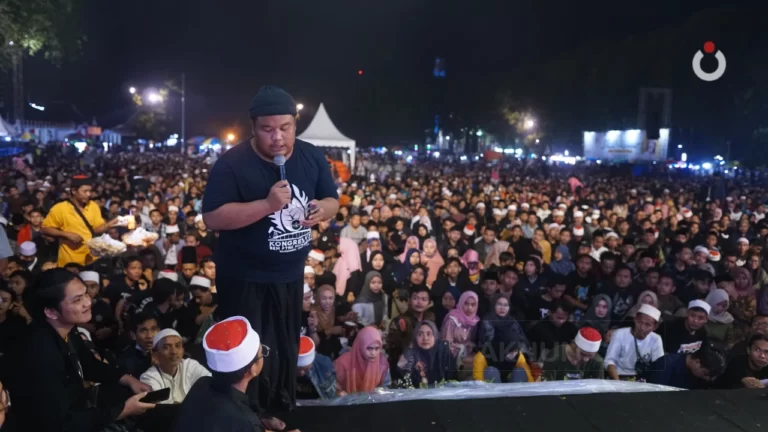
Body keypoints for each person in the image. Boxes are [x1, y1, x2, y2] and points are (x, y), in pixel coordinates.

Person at [202, 86, 339, 419]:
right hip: (245, 277)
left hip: (290, 275)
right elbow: (212, 217)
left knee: (283, 348)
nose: (277, 137)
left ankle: (279, 409)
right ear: (253, 127)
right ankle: (247, 417)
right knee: (247, 354)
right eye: (267, 129)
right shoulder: (232, 163)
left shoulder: (311, 156)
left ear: (295, 124)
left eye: (285, 128)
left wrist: (321, 210)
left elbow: (333, 200)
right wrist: (265, 205)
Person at [9, 268, 155, 431]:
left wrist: (126, 378)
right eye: (77, 300)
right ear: (51, 311)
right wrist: (123, 410)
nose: (88, 302)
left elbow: (87, 363)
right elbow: (62, 422)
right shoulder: (40, 353)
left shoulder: (67, 328)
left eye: (86, 294)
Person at [174, 316, 299, 432]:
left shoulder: (202, 384)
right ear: (253, 368)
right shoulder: (243, 421)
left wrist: (259, 423)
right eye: (262, 352)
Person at [40, 175, 118, 267]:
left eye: (90, 191)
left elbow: (96, 229)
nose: (89, 194)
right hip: (69, 261)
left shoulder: (93, 206)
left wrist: (111, 223)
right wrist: (66, 234)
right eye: (85, 191)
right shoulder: (60, 208)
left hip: (91, 258)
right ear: (73, 191)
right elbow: (44, 229)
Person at [140, 328, 211, 404]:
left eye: (177, 346)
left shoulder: (190, 365)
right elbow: (164, 406)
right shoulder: (148, 377)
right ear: (155, 354)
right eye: (166, 347)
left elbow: (210, 383)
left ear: (183, 350)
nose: (174, 352)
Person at [604, 304, 665, 380]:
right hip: (619, 377)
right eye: (639, 322)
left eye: (647, 325)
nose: (642, 327)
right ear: (635, 319)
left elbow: (659, 366)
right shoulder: (619, 334)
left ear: (655, 327)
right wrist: (618, 383)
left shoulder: (656, 339)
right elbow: (609, 361)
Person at [645, 342, 726, 389]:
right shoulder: (666, 364)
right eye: (705, 374)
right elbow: (655, 393)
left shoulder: (698, 374)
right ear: (697, 362)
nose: (707, 379)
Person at [296, 335, 337, 400]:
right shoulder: (282, 368)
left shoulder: (323, 365)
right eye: (297, 369)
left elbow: (330, 395)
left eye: (306, 369)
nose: (301, 373)